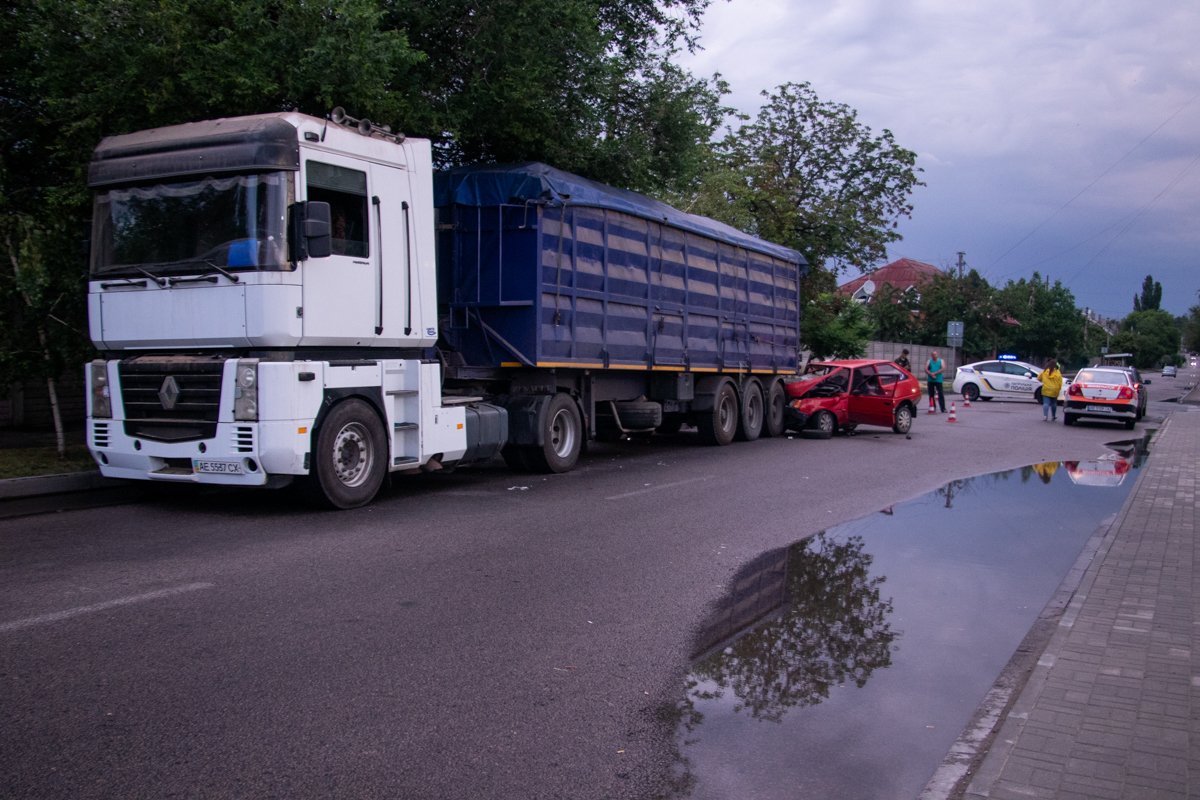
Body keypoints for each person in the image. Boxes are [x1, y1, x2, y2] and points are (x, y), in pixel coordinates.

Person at [1037, 358, 1063, 422]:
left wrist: (1044, 381)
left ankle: (1045, 416)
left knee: (1046, 403)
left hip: (1046, 389)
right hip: (1055, 390)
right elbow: (1060, 382)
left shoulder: (1044, 371)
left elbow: (1039, 378)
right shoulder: (1058, 372)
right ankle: (1053, 416)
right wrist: (1059, 388)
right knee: (1054, 403)